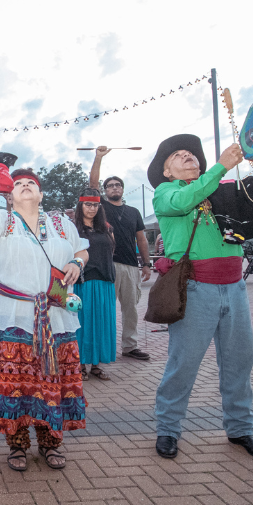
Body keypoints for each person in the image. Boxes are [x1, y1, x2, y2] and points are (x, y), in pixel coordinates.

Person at [149, 134, 253, 462]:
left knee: (240, 361)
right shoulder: (165, 193)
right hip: (195, 288)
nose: (189, 157)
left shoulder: (222, 190)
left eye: (192, 154)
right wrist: (221, 166)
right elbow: (184, 202)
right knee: (183, 363)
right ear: (167, 172)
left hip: (235, 286)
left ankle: (241, 429)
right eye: (179, 156)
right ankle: (168, 429)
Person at [0, 163, 90, 471]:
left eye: (31, 182)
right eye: (18, 182)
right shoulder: (2, 220)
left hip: (55, 317)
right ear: (9, 195)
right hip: (10, 317)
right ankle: (17, 445)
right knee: (15, 383)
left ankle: (51, 442)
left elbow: (82, 250)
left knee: (51, 379)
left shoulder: (60, 223)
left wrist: (77, 262)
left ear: (40, 193)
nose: (25, 185)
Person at [88, 146, 152, 361]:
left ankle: (130, 346)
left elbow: (141, 239)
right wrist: (98, 158)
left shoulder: (134, 212)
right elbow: (92, 184)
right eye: (110, 186)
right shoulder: (102, 207)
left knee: (131, 309)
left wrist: (146, 263)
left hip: (131, 266)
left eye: (118, 185)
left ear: (123, 189)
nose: (114, 188)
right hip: (107, 265)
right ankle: (100, 347)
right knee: (105, 309)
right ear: (105, 191)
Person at [73, 188, 116, 381]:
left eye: (95, 205)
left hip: (105, 281)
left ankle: (96, 364)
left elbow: (111, 252)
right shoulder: (73, 228)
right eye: (88, 204)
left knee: (101, 322)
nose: (92, 208)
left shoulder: (106, 228)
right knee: (83, 323)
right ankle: (80, 364)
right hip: (84, 282)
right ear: (81, 205)